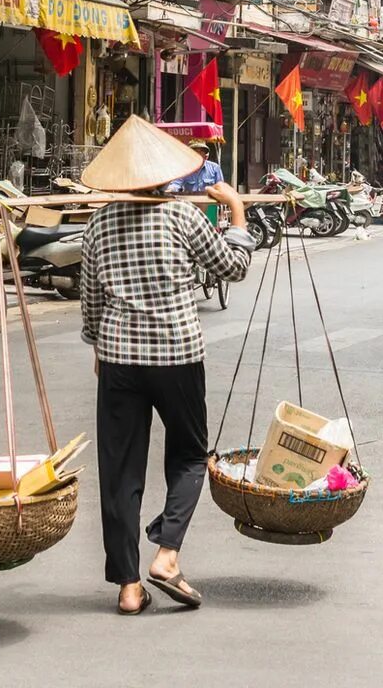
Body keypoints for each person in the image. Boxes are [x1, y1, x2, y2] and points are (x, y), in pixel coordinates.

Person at [79, 116, 254, 616]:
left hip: (117, 359)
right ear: (164, 176)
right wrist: (237, 208)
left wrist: (98, 347)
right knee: (190, 456)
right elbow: (234, 267)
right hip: (177, 354)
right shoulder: (182, 217)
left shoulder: (98, 224)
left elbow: (90, 302)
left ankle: (129, 587)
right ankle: (168, 553)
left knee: (119, 470)